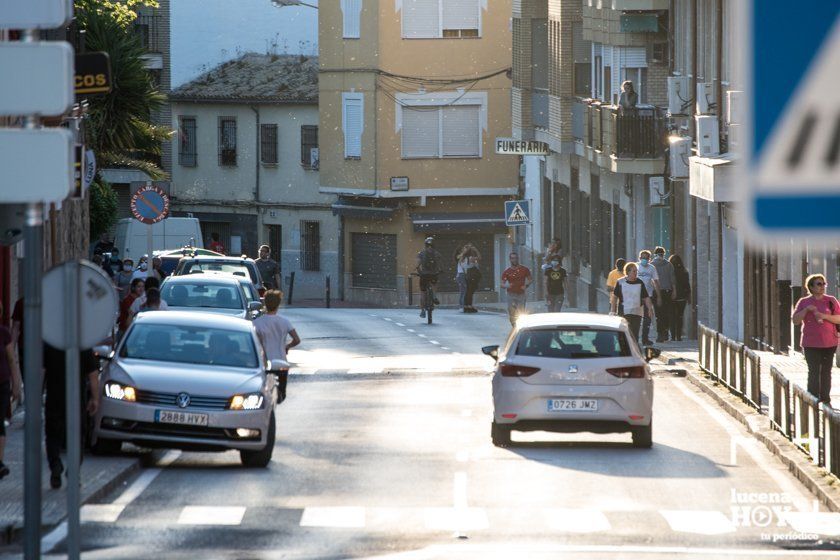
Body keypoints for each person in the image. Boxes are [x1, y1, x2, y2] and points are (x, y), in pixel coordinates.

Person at [43, 343, 99, 488]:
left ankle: (55, 467)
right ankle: (73, 472)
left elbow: (40, 372)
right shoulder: (82, 346)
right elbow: (93, 375)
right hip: (76, 399)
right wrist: (95, 398)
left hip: (54, 397)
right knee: (78, 435)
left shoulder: (51, 345)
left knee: (53, 434)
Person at [792, 274, 840, 404]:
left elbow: (838, 318)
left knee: (826, 370)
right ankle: (812, 399)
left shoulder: (831, 300)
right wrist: (806, 310)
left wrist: (824, 316)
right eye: (819, 284)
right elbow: (795, 320)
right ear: (811, 287)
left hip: (829, 342)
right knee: (813, 370)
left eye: (824, 284)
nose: (822, 286)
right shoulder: (804, 302)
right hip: (811, 343)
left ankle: (825, 398)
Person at [253, 290, 300, 403]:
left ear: (265, 304)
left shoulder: (256, 323)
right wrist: (287, 347)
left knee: (264, 394)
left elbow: (255, 342)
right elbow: (297, 340)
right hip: (281, 362)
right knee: (281, 395)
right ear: (278, 304)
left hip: (264, 363)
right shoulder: (285, 322)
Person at [0, 301, 22, 479]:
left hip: (1, 383)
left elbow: (11, 359)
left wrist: (16, 384)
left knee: (0, 421)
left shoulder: (4, 333)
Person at [610, 262, 655, 344]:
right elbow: (615, 297)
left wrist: (650, 309)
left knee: (635, 334)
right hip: (624, 312)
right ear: (628, 272)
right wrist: (613, 310)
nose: (636, 273)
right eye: (634, 271)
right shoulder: (620, 282)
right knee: (625, 332)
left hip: (637, 313)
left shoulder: (640, 282)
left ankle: (634, 350)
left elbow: (646, 297)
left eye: (636, 271)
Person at [636, 250, 660, 345]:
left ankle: (645, 338)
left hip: (648, 296)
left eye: (646, 258)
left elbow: (656, 282)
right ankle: (634, 338)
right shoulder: (636, 267)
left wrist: (659, 296)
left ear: (649, 259)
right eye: (643, 258)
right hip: (637, 296)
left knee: (647, 318)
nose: (644, 260)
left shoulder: (652, 268)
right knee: (636, 318)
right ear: (639, 258)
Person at [502, 252, 532, 326]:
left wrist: (526, 285)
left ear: (518, 259)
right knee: (511, 311)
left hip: (521, 293)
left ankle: (519, 325)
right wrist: (507, 286)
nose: (514, 260)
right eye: (512, 258)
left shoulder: (524, 269)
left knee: (521, 311)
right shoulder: (507, 272)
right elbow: (502, 284)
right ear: (510, 260)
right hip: (511, 294)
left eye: (515, 258)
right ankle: (513, 324)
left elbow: (530, 279)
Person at [651, 247, 675, 343]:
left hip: (656, 292)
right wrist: (674, 290)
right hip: (667, 291)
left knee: (659, 314)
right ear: (663, 254)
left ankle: (660, 333)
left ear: (655, 254)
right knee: (666, 313)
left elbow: (651, 280)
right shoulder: (669, 264)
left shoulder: (652, 265)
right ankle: (665, 331)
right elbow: (672, 279)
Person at [416, 237, 443, 319]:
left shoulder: (421, 253)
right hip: (433, 274)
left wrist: (420, 272)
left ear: (425, 245)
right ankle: (434, 296)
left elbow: (417, 265)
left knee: (423, 292)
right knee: (434, 284)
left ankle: (422, 311)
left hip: (424, 275)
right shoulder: (437, 253)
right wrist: (440, 271)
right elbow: (440, 265)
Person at [669, 254, 691, 341]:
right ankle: (679, 336)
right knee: (680, 316)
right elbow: (687, 285)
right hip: (682, 296)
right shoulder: (684, 271)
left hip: (671, 296)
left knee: (672, 316)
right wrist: (689, 296)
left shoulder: (670, 271)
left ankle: (673, 335)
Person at [463, 246, 482, 314]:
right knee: (470, 291)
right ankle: (469, 306)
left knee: (468, 291)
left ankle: (466, 306)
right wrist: (476, 250)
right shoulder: (471, 258)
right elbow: (480, 257)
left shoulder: (464, 258)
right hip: (472, 275)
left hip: (467, 274)